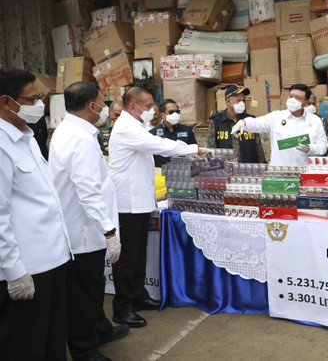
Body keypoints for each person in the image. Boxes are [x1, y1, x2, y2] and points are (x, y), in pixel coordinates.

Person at [109, 87, 208, 328]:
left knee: (140, 254)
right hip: (127, 204)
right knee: (127, 259)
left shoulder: (137, 125)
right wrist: (194, 149)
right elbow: (161, 145)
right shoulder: (126, 127)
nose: (153, 110)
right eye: (149, 105)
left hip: (141, 201)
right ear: (134, 107)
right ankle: (122, 308)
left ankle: (138, 296)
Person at [49, 82, 129, 361]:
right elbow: (88, 191)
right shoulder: (79, 138)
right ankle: (84, 348)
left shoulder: (73, 130)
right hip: (83, 231)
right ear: (91, 106)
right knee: (84, 293)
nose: (105, 108)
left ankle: (100, 329)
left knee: (93, 287)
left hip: (85, 227)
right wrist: (108, 231)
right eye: (101, 102)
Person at [0, 68, 72, 360]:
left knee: (52, 341)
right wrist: (14, 271)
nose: (40, 104)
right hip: (28, 269)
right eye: (33, 99)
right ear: (6, 102)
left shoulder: (26, 136)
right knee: (24, 345)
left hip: (52, 261)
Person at [230, 83, 328, 166]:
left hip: (304, 172)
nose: (292, 100)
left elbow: (323, 147)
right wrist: (244, 122)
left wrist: (310, 148)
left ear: (305, 102)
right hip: (279, 173)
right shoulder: (276, 117)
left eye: (298, 98)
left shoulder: (315, 121)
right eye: (291, 96)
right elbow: (258, 123)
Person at [208, 85, 265, 163]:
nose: (242, 103)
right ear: (228, 101)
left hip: (248, 169)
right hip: (226, 171)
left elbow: (258, 148)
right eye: (238, 100)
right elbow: (211, 150)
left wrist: (263, 166)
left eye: (243, 100)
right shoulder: (216, 121)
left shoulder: (249, 120)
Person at [150, 99, 198, 167]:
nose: (175, 114)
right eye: (171, 112)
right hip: (161, 173)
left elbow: (194, 153)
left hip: (183, 172)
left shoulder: (187, 131)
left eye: (177, 112)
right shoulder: (153, 133)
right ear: (163, 115)